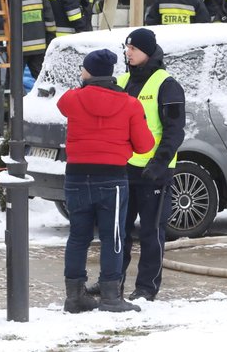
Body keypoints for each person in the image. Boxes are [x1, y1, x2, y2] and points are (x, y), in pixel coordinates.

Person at [57, 48, 154, 314]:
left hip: (76, 176)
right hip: (111, 179)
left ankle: (75, 297)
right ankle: (111, 296)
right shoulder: (130, 104)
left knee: (78, 236)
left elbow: (63, 103)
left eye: (83, 69)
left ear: (89, 72)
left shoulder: (73, 99)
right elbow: (145, 146)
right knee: (113, 237)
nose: (80, 72)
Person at [119, 28, 186, 302]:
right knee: (119, 232)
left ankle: (146, 289)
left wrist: (159, 165)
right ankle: (113, 283)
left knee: (150, 232)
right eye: (127, 48)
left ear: (147, 51)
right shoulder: (122, 80)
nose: (128, 52)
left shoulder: (167, 84)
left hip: (154, 172)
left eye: (133, 48)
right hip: (124, 169)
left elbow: (174, 130)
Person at [0, 0, 56, 79]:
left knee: (13, 80)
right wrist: (50, 38)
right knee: (41, 78)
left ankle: (11, 97)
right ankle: (47, 97)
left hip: (18, 47)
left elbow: (1, 19)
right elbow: (49, 19)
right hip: (39, 47)